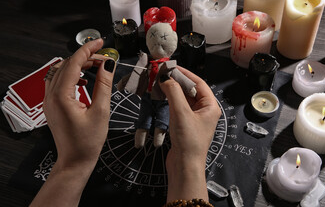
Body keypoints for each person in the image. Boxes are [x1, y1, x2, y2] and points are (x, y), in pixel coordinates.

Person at [30, 38, 221, 207]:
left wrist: (72, 163)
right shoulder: (145, 61)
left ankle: (159, 135)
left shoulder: (169, 65)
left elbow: (180, 78)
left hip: (163, 101)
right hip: (146, 100)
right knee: (144, 118)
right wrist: (189, 162)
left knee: (163, 119)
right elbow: (136, 73)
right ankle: (143, 134)